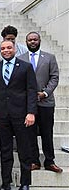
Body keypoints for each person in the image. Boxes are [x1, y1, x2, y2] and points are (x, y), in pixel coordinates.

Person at [0, 40, 37, 190]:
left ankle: (24, 184)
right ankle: (6, 182)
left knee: (24, 150)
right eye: (3, 48)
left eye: (9, 48)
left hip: (22, 115)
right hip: (2, 115)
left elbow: (31, 91)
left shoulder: (26, 67)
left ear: (15, 49)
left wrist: (31, 112)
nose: (6, 50)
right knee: (5, 149)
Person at [19, 32, 62, 173]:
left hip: (46, 102)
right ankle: (34, 161)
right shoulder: (21, 59)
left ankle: (49, 161)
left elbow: (54, 77)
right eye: (30, 40)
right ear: (26, 41)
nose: (32, 42)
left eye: (35, 39)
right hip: (28, 103)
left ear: (39, 41)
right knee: (30, 133)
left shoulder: (49, 58)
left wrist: (45, 93)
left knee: (46, 132)